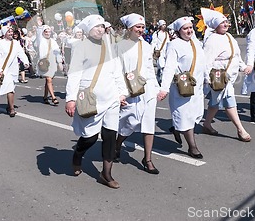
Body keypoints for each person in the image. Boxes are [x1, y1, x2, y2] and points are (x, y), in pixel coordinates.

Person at [65, 15, 128, 189]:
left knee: (110, 136)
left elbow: (117, 71)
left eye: (102, 27)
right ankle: (78, 154)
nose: (101, 30)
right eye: (97, 27)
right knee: (90, 137)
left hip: (111, 98)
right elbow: (74, 74)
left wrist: (121, 93)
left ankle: (106, 174)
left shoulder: (110, 46)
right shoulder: (81, 47)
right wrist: (70, 99)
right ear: (88, 29)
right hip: (91, 99)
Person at [115, 13, 160, 174]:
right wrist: (120, 93)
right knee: (130, 122)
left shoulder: (146, 46)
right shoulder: (120, 46)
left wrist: (156, 88)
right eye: (137, 27)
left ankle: (147, 159)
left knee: (149, 124)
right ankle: (117, 144)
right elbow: (117, 70)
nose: (140, 30)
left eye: (142, 27)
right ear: (130, 28)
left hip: (147, 90)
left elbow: (150, 69)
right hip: (129, 90)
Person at [157, 16, 206, 159]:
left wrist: (208, 79)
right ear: (179, 31)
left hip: (196, 87)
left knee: (196, 115)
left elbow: (202, 62)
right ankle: (193, 147)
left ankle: (176, 127)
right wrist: (164, 88)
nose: (189, 30)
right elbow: (169, 67)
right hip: (181, 88)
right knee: (185, 116)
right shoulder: (174, 45)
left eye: (190, 27)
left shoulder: (196, 42)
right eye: (185, 28)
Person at [200, 9, 251, 141]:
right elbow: (206, 62)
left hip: (229, 77)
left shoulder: (229, 37)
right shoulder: (212, 40)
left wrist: (243, 66)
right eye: (222, 23)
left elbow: (236, 55)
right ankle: (241, 130)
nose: (226, 24)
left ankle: (206, 124)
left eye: (226, 22)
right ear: (215, 25)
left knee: (215, 102)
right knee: (229, 101)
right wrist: (207, 79)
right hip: (218, 77)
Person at [0, 25, 30, 117]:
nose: (10, 33)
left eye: (11, 31)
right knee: (10, 89)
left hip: (13, 69)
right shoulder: (0, 44)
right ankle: (12, 109)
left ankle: (9, 106)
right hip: (4, 70)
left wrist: (25, 62)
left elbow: (20, 53)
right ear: (4, 33)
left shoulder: (16, 43)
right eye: (8, 31)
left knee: (11, 88)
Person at [36, 25, 62, 105]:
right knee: (49, 79)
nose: (47, 33)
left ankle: (45, 96)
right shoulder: (41, 40)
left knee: (48, 80)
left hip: (52, 61)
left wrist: (59, 62)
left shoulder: (53, 41)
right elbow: (38, 34)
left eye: (49, 32)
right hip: (44, 61)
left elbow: (57, 52)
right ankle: (53, 97)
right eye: (46, 32)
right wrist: (39, 25)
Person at [152, 20, 169, 85]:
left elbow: (168, 43)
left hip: (166, 52)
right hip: (159, 53)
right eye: (163, 25)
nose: (164, 26)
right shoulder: (156, 33)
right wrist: (151, 52)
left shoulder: (166, 33)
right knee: (161, 66)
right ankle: (160, 80)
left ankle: (162, 79)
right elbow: (153, 43)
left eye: (165, 24)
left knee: (164, 66)